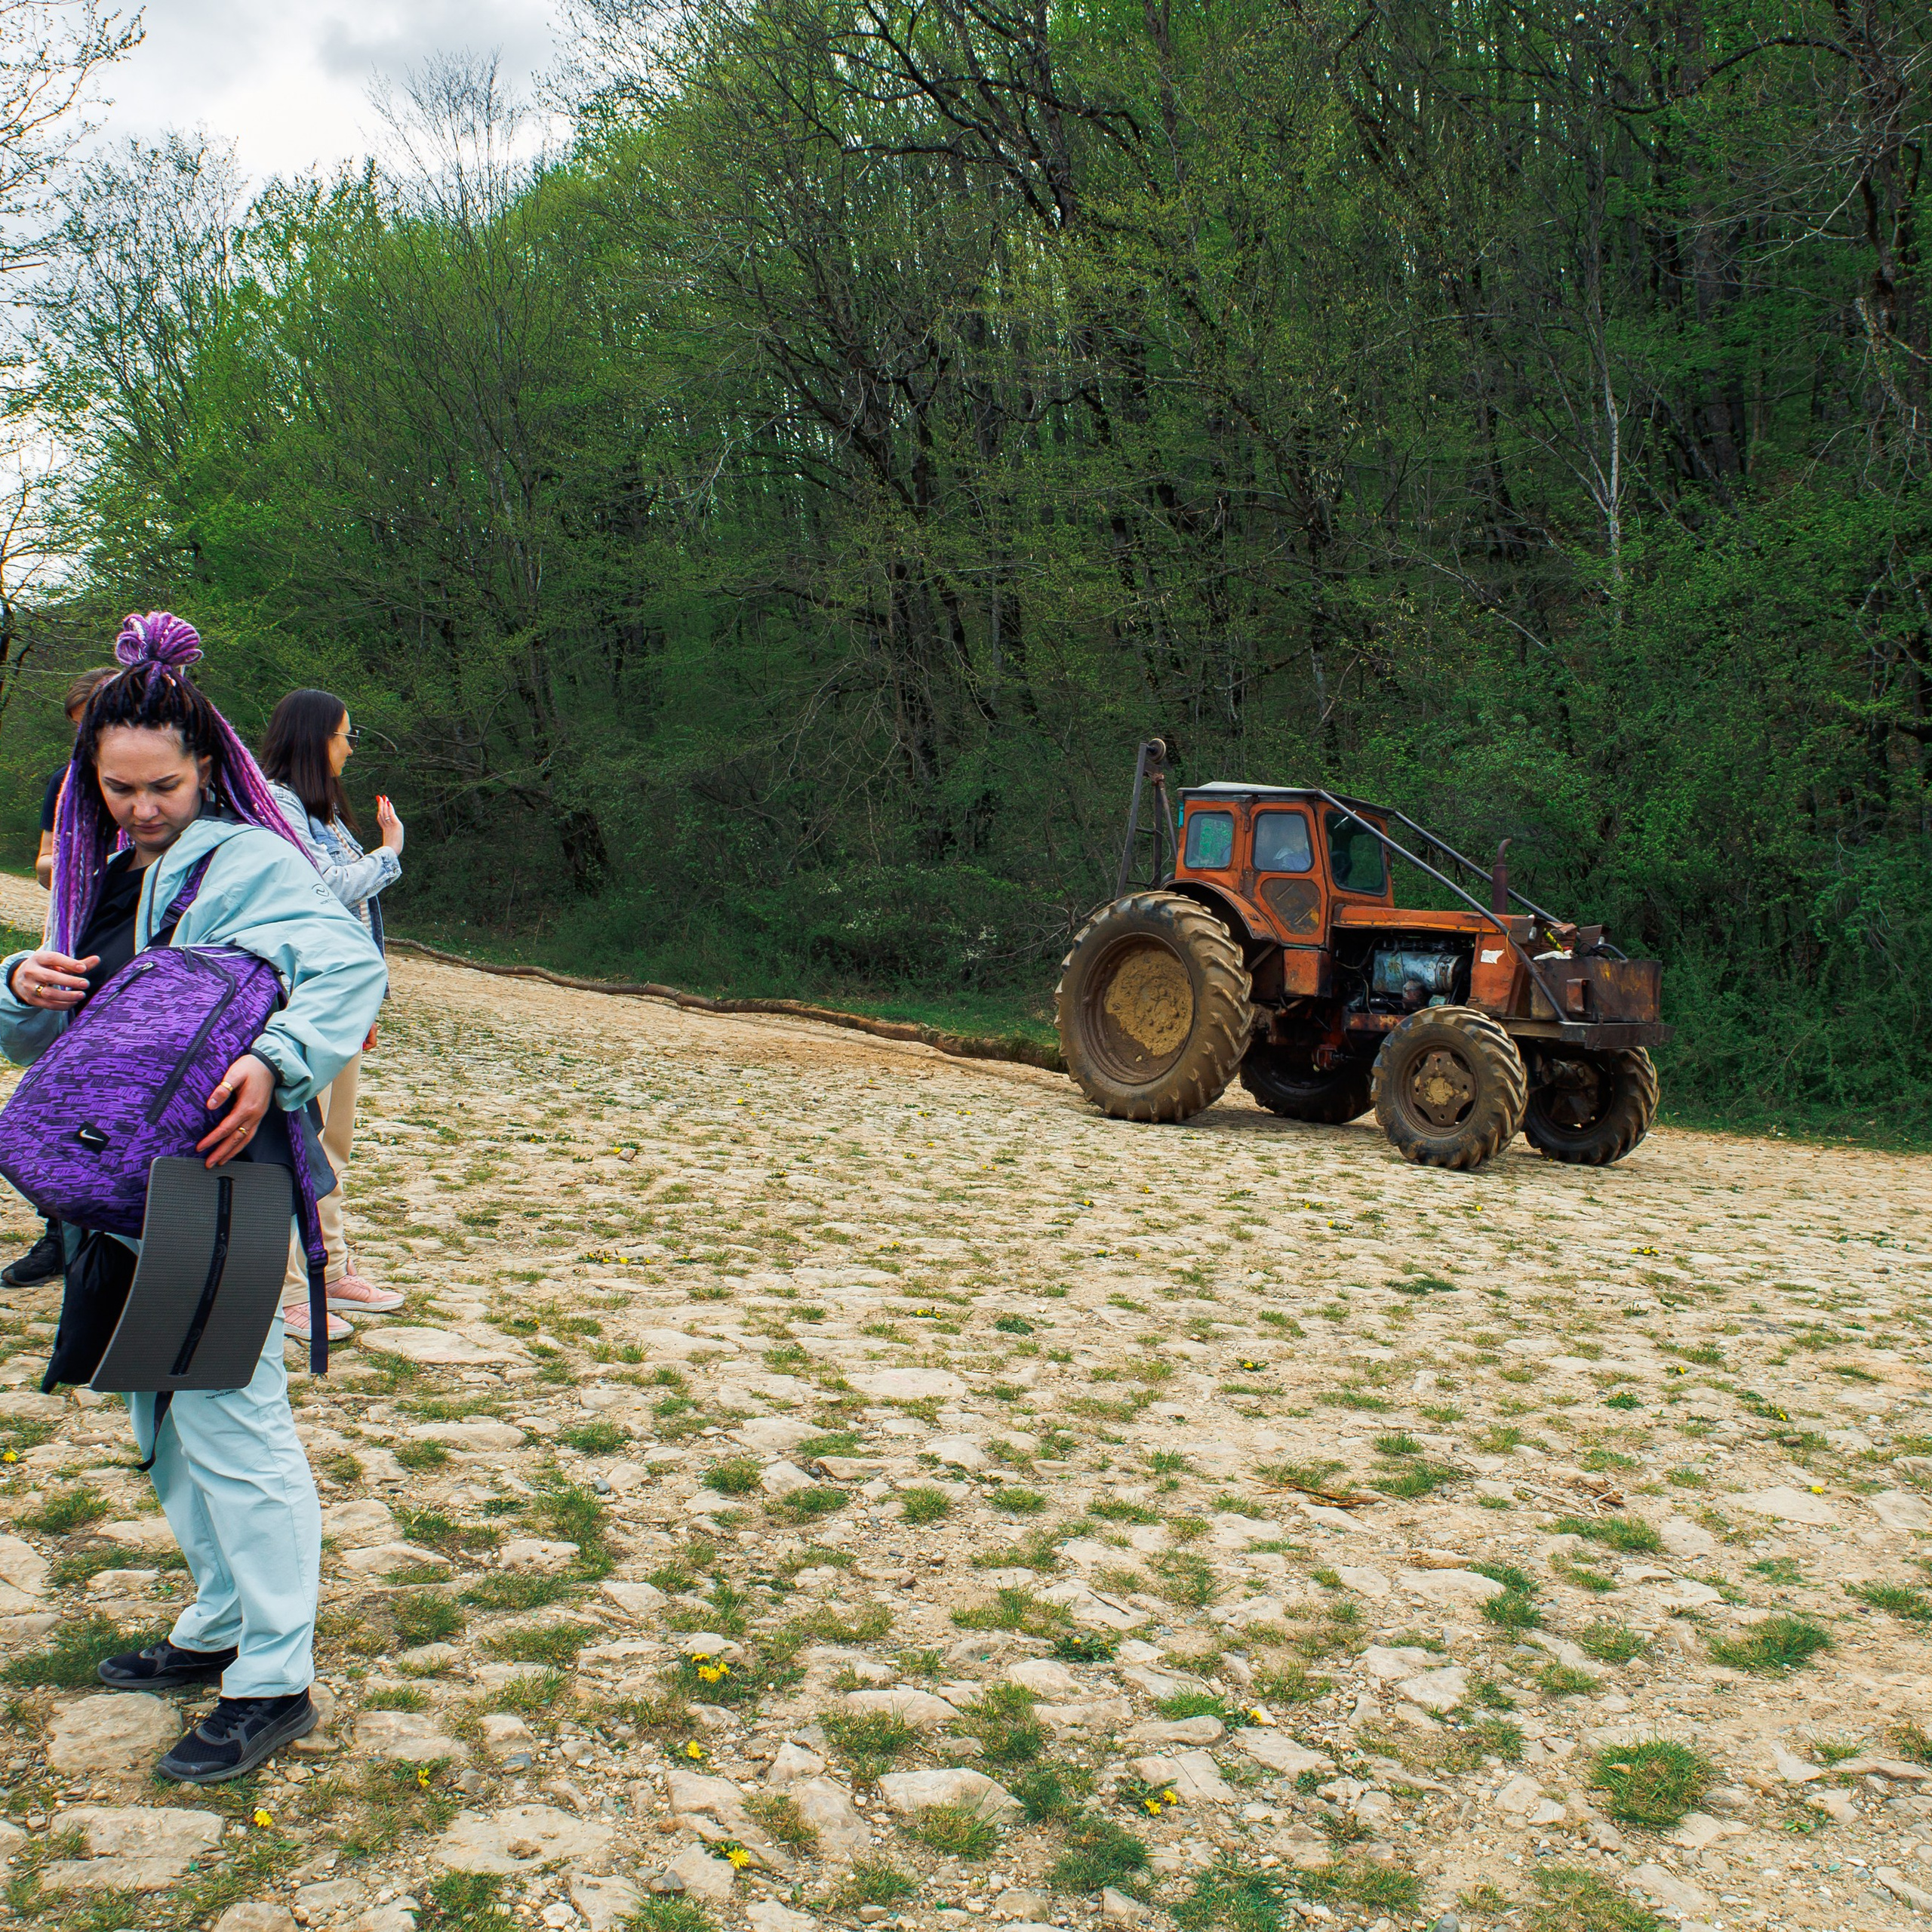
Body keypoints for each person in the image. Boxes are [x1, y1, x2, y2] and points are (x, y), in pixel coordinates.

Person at [0, 612, 386, 1784]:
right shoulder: (105, 873)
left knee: (229, 1418)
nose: (139, 807)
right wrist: (21, 983)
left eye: (160, 786)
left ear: (206, 765)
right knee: (160, 1420)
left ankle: (274, 1678)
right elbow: (49, 1037)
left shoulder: (252, 863)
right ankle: (220, 1619)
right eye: (116, 788)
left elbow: (349, 967)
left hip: (222, 1171)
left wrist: (278, 1059)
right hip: (116, 1182)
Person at [260, 690, 405, 1343]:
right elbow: (327, 889)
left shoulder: (322, 809)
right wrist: (390, 850)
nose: (351, 747)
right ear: (317, 737)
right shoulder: (280, 804)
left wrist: (363, 999)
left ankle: (331, 1267)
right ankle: (289, 1290)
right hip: (303, 999)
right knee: (301, 1143)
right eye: (347, 734)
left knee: (333, 1141)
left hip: (340, 998)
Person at [4, 666, 118, 1291]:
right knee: (62, 1088)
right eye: (79, 728)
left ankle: (114, 1229)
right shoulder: (66, 781)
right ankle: (58, 1232)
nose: (87, 737)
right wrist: (69, 862)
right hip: (74, 939)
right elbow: (44, 861)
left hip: (134, 949)